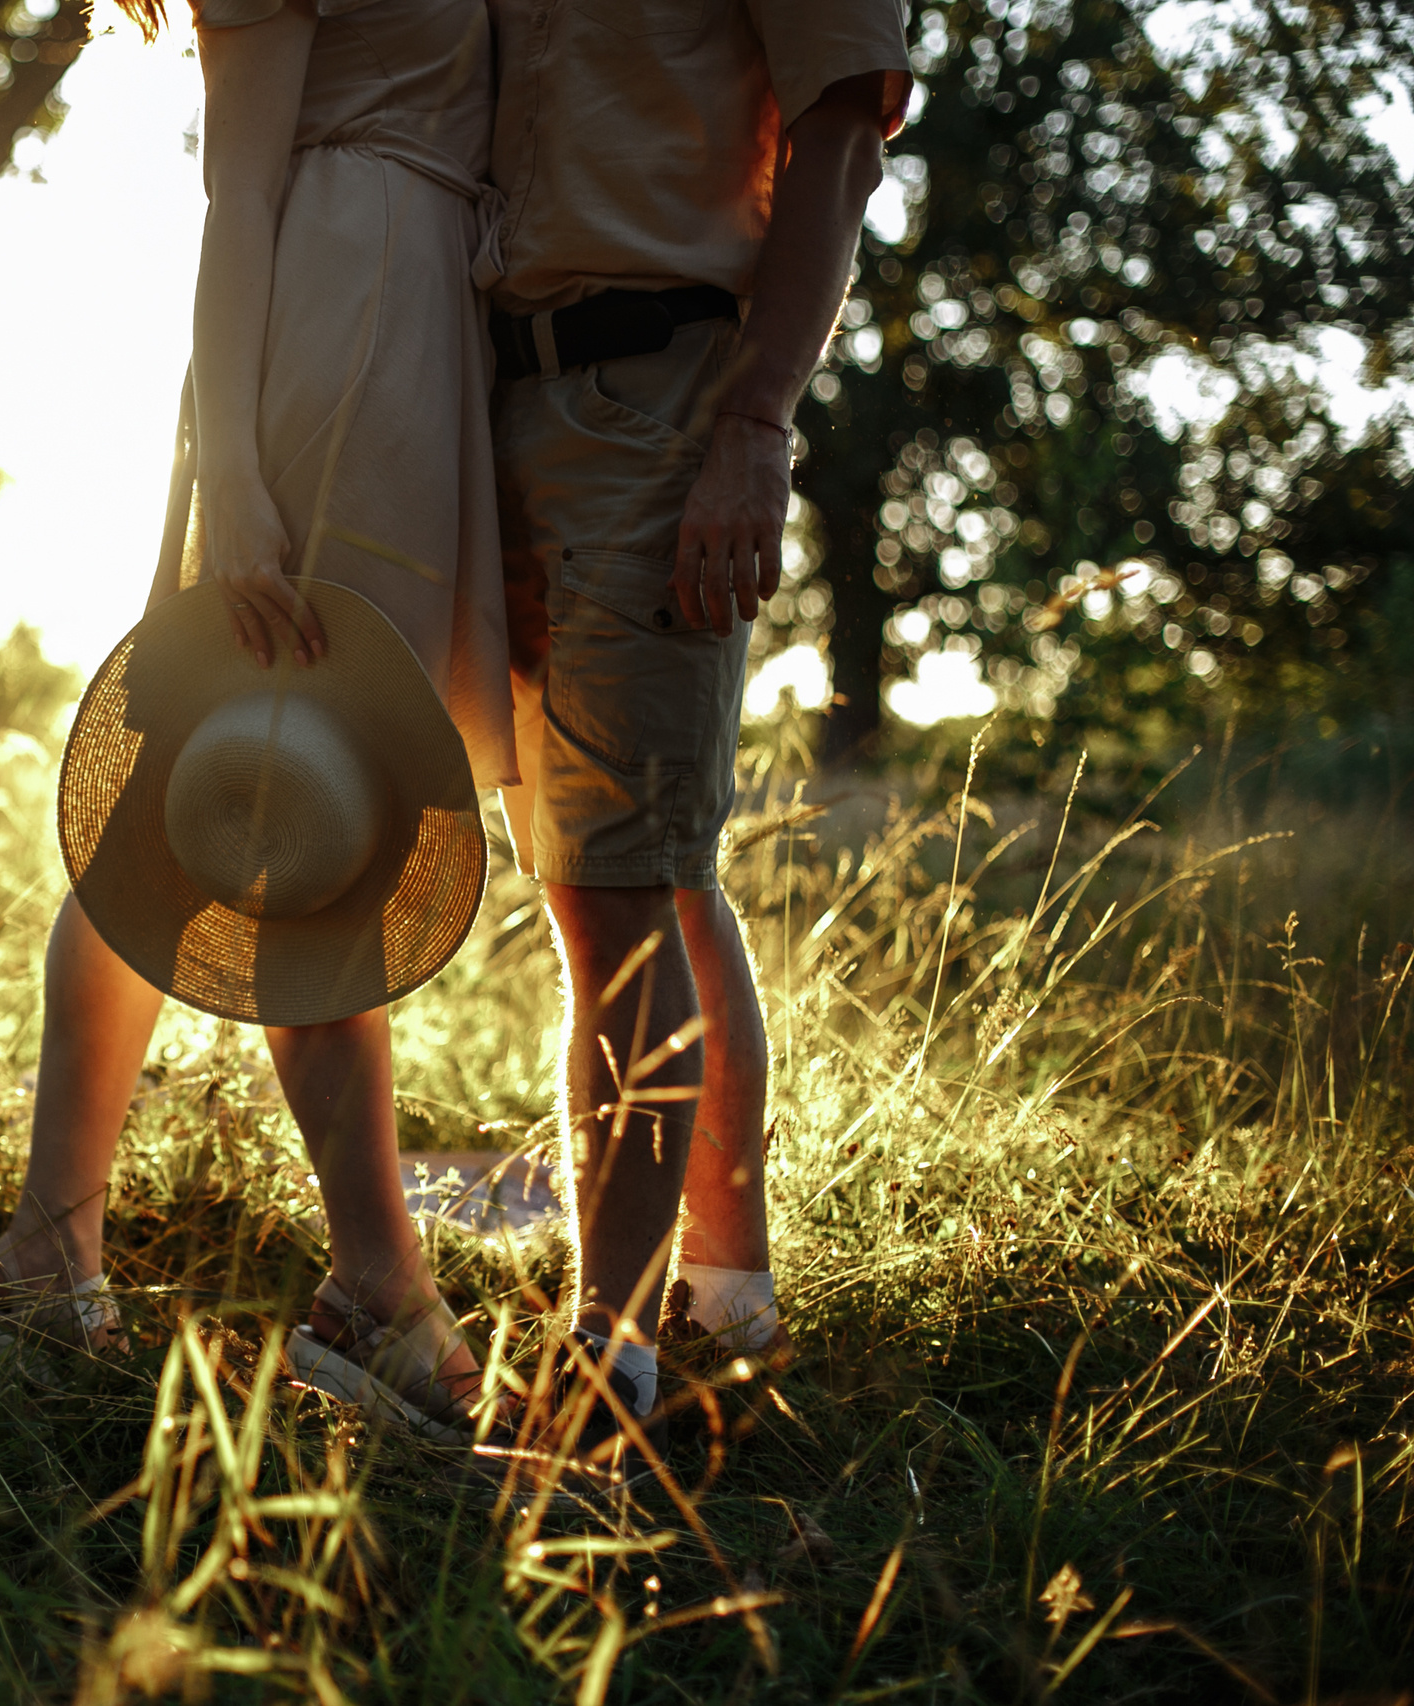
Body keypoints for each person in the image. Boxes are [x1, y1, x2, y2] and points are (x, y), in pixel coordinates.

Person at [0, 0, 519, 1443]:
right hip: (328, 353)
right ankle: (380, 1285)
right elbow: (239, 192)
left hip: (413, 334)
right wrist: (236, 474)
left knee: (203, 808)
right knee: (297, 809)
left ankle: (52, 1239)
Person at [480, 0, 913, 1418]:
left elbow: (841, 130)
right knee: (613, 874)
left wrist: (754, 421)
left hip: (665, 396)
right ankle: (724, 1287)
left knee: (623, 886)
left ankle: (609, 1355)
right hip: (497, 398)